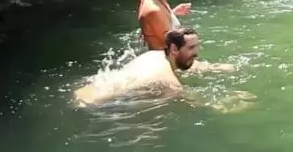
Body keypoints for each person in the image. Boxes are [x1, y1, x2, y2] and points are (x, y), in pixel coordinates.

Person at [73, 27, 236, 107]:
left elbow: (188, 64)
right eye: (192, 48)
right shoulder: (167, 79)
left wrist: (216, 67)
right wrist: (225, 103)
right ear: (174, 49)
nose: (197, 53)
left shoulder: (154, 55)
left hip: (86, 89)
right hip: (94, 104)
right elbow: (191, 100)